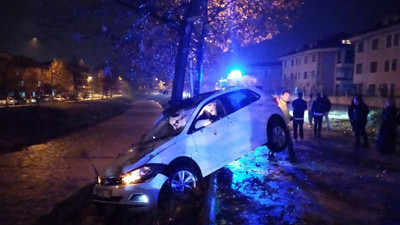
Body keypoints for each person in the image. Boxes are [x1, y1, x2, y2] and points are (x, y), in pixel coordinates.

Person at [269, 90, 296, 162]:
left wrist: (290, 117)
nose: (288, 97)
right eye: (286, 96)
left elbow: (286, 113)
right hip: (280, 125)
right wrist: (290, 117)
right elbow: (283, 114)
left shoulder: (284, 103)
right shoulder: (279, 103)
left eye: (289, 96)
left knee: (282, 140)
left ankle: (291, 155)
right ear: (282, 96)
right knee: (280, 140)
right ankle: (292, 156)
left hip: (283, 124)